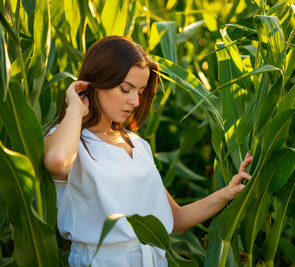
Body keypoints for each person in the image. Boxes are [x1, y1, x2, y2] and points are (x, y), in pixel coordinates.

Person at [43, 35, 253, 267]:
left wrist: (227, 192)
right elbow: (57, 162)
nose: (135, 101)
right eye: (126, 89)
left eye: (140, 91)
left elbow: (175, 219)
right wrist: (75, 107)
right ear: (96, 82)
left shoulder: (138, 145)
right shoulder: (70, 141)